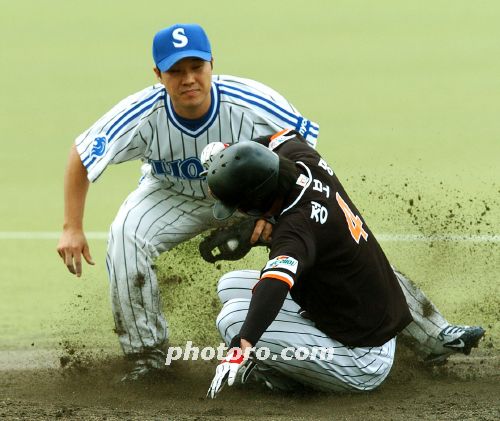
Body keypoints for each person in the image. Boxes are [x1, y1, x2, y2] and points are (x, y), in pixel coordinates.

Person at [56, 23, 320, 381]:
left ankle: (334, 325)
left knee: (311, 232)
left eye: (196, 67)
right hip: (171, 194)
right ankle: (147, 358)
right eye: (176, 71)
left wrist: (276, 216)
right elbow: (82, 153)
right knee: (125, 236)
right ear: (158, 74)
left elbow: (304, 155)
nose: (188, 79)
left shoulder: (250, 102)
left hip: (251, 198)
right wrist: (72, 227)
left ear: (212, 63)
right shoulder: (142, 113)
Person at [205, 131, 485, 397]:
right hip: (364, 310)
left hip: (362, 359)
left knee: (234, 321)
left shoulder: (297, 227)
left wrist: (244, 345)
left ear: (256, 201)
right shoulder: (304, 160)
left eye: (239, 207)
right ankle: (426, 337)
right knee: (229, 286)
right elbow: (280, 137)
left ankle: (277, 377)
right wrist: (236, 152)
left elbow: (274, 284)